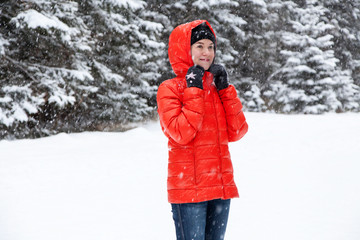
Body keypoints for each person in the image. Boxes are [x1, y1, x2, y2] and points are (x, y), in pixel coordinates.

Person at [156, 20, 248, 240]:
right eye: (199, 46)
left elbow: (238, 131)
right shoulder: (169, 89)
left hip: (219, 187)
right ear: (184, 50)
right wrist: (194, 89)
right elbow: (181, 133)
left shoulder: (216, 88)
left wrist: (225, 89)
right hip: (189, 192)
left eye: (211, 46)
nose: (207, 52)